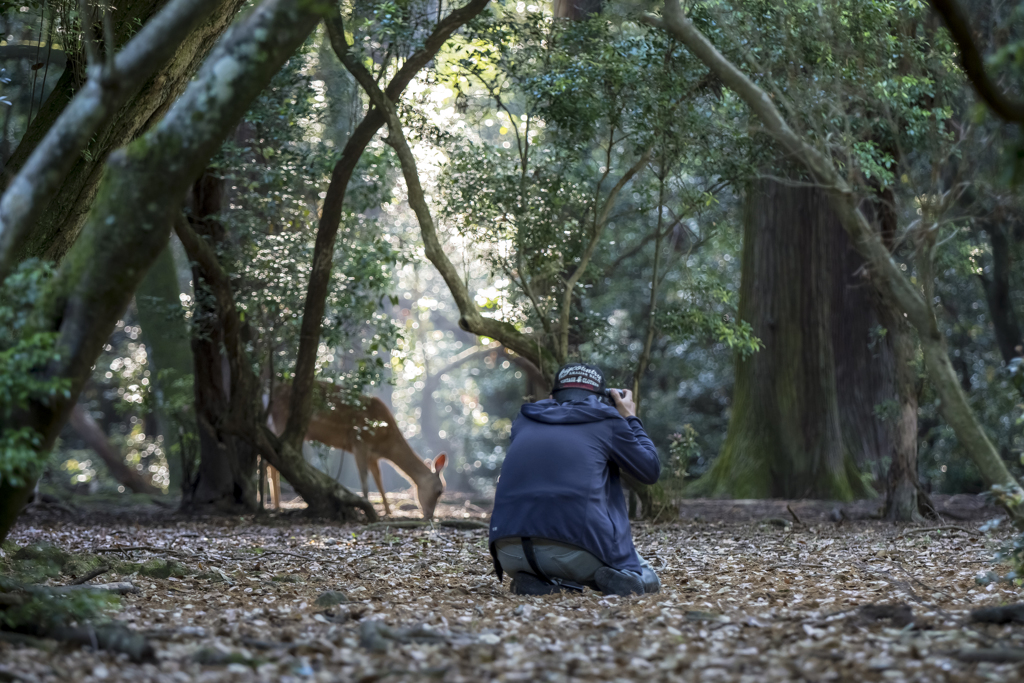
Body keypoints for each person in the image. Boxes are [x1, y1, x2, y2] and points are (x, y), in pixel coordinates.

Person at [488, 363, 662, 596]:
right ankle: (620, 577)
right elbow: (650, 469)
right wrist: (629, 417)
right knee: (647, 576)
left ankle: (541, 581)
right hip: (575, 550)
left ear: (552, 395)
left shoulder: (524, 419)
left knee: (548, 555)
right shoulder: (608, 421)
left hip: (508, 550)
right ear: (601, 398)